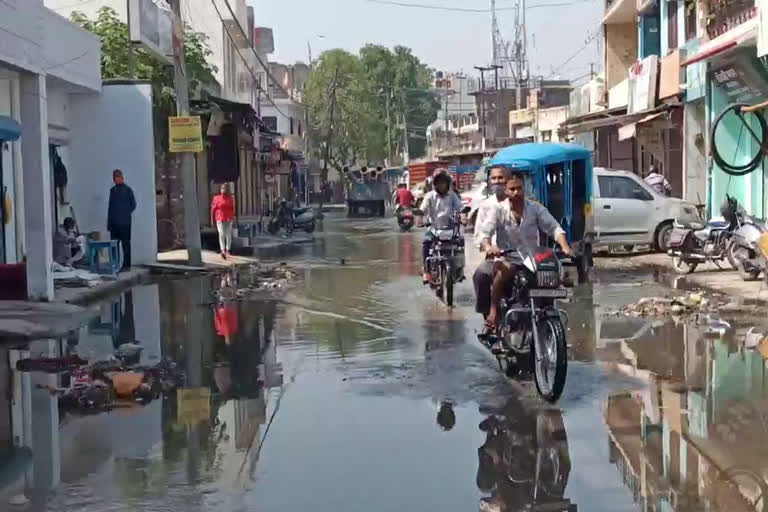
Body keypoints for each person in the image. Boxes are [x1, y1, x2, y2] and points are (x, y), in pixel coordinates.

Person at [478, 171, 572, 342]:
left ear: (524, 189)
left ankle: (549, 317)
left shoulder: (535, 208)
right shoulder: (498, 210)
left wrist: (565, 247)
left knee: (554, 273)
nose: (516, 193)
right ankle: (492, 312)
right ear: (505, 191)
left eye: (519, 189)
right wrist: (489, 246)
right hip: (508, 257)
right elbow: (485, 232)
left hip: (533, 259)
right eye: (512, 189)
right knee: (504, 270)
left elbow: (554, 228)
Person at [472, 166, 510, 321]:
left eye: (500, 178)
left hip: (518, 255)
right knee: (480, 275)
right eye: (494, 178)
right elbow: (478, 236)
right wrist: (488, 247)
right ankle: (487, 315)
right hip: (494, 257)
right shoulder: (486, 205)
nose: (497, 182)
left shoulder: (517, 202)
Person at [417, 168, 463, 283]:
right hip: (434, 228)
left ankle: (460, 270)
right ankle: (426, 271)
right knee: (426, 243)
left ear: (447, 183)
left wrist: (463, 217)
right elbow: (422, 209)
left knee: (460, 243)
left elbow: (460, 208)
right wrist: (420, 218)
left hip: (450, 228)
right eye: (438, 182)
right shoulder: (429, 196)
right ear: (435, 183)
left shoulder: (452, 196)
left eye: (443, 182)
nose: (441, 184)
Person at [107, 169, 136, 271]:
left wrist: (124, 213)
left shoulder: (128, 190)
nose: (117, 179)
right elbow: (110, 208)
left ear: (122, 178)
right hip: (114, 224)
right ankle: (115, 264)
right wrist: (109, 224)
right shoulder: (112, 191)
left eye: (119, 177)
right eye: (115, 177)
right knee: (114, 245)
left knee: (126, 244)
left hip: (125, 224)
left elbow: (133, 205)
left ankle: (127, 265)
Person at [210, 183, 235, 259]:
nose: (223, 189)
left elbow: (233, 208)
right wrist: (212, 219)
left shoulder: (231, 198)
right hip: (219, 218)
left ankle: (228, 249)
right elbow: (213, 209)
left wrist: (233, 216)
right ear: (220, 189)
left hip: (229, 218)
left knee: (228, 234)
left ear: (227, 189)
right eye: (222, 188)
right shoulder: (216, 198)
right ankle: (222, 250)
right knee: (221, 233)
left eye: (225, 188)